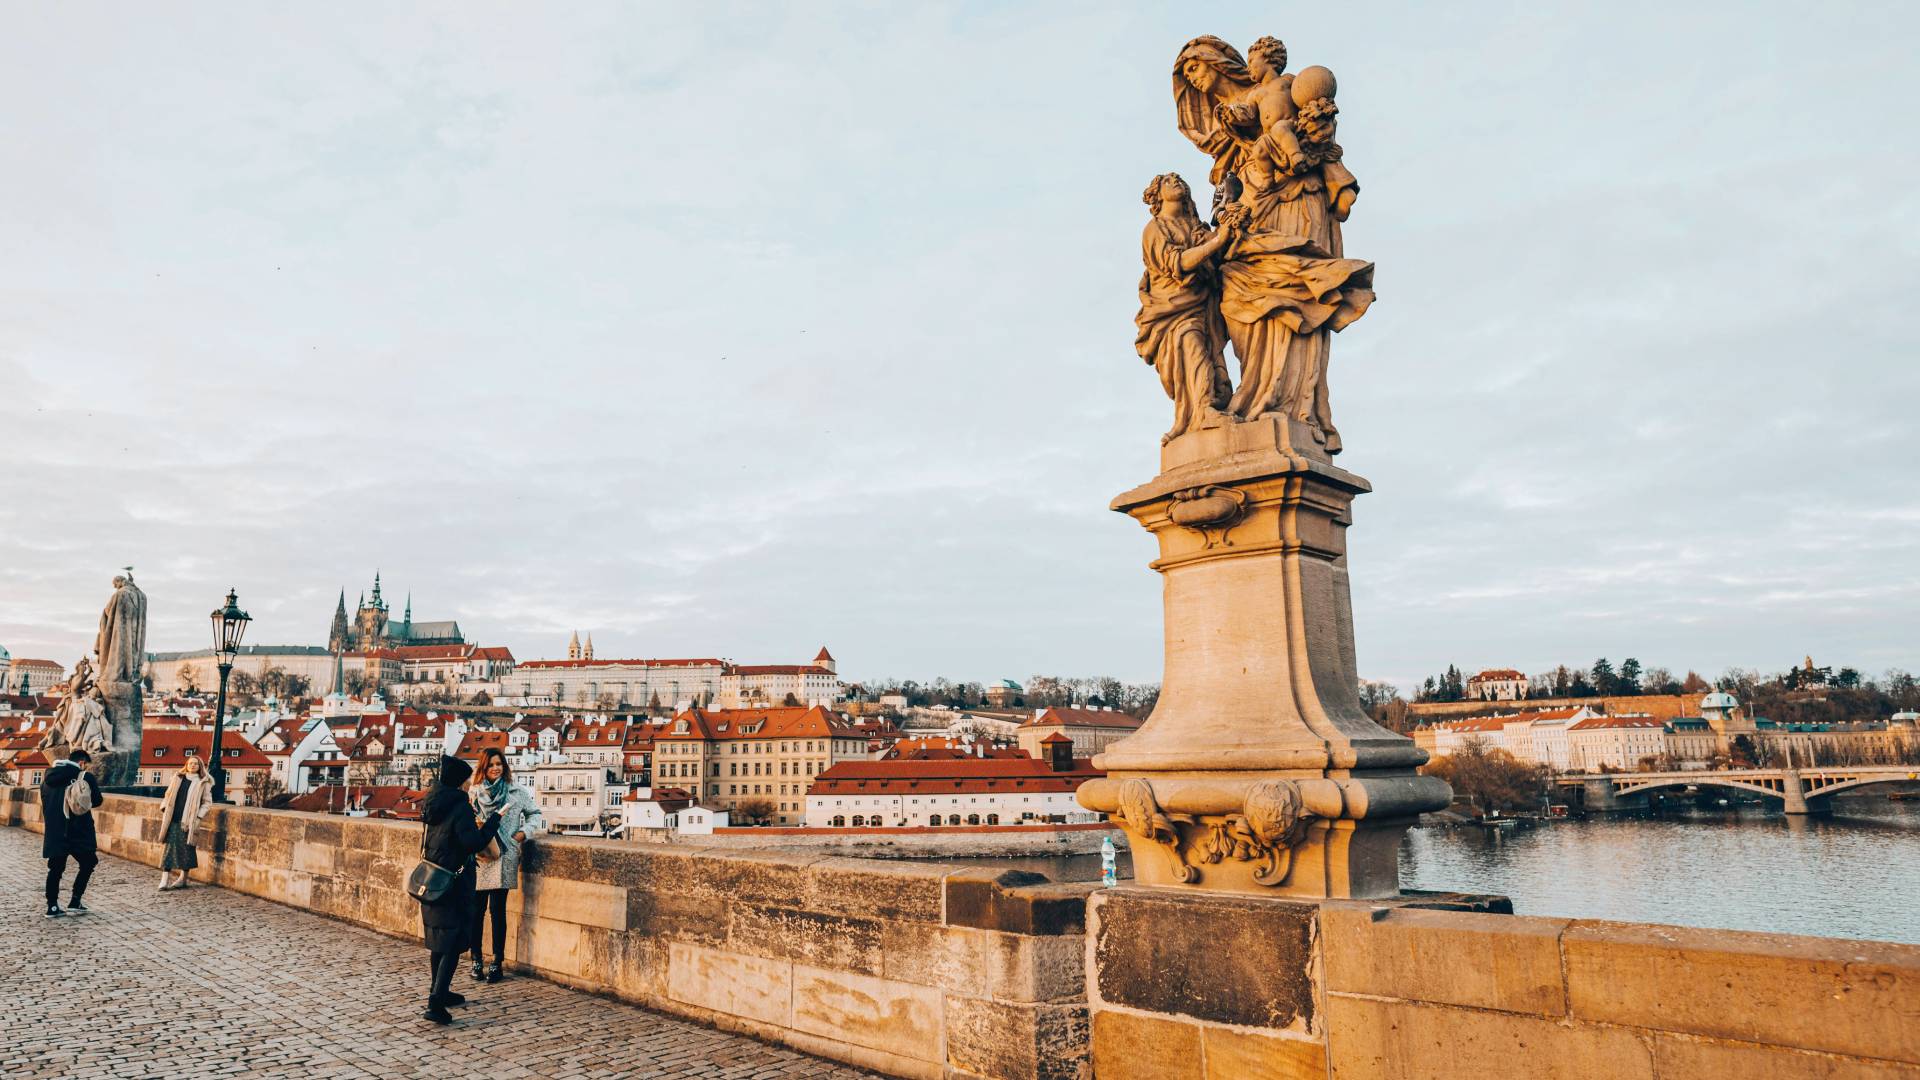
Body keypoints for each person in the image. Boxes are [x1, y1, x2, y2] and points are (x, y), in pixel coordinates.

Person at [419, 755, 501, 1025]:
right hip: (453, 884)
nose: (469, 785)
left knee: (438, 941)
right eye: (466, 780)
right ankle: (435, 1002)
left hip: (433, 878)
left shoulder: (433, 803)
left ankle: (440, 992)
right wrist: (494, 822)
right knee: (452, 943)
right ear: (458, 782)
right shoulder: (460, 807)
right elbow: (472, 842)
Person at [468, 748, 543, 983]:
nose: (495, 768)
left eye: (499, 764)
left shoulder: (516, 791)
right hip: (480, 855)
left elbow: (535, 814)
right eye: (491, 764)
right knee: (476, 912)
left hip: (504, 855)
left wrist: (523, 834)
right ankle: (476, 959)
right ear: (483, 767)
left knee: (498, 912)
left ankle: (497, 962)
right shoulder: (474, 792)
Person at [42, 748, 103, 918]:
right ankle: (75, 900)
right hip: (79, 831)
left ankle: (52, 906)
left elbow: (46, 804)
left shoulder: (47, 779)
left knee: (55, 869)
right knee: (89, 862)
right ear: (82, 762)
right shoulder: (85, 777)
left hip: (56, 831)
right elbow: (97, 801)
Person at [156, 754, 214, 890]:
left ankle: (183, 878)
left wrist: (198, 817)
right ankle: (164, 879)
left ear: (200, 766)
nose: (193, 765)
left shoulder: (203, 782)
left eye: (196, 764)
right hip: (173, 818)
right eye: (190, 763)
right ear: (186, 765)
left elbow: (207, 803)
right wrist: (164, 806)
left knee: (187, 849)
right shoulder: (177, 778)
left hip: (189, 821)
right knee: (169, 849)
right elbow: (168, 794)